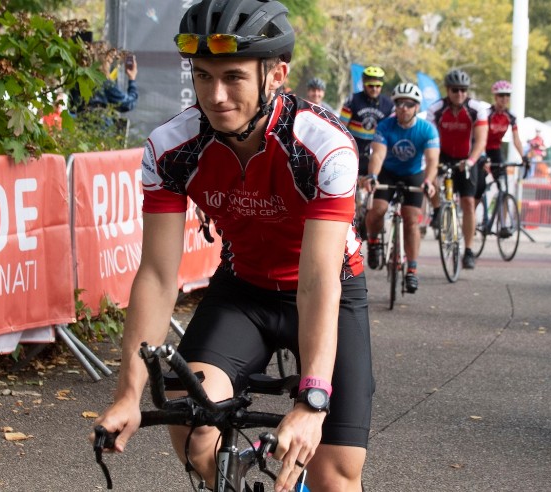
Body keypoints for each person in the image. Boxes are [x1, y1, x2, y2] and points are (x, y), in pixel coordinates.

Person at [92, 2, 373, 491]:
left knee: (336, 475)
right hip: (243, 291)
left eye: (234, 78)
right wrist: (128, 394)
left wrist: (312, 402)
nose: (215, 96)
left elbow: (318, 279)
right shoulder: (172, 148)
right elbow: (158, 275)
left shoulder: (324, 146)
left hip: (329, 290)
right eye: (203, 77)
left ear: (276, 75)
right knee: (194, 425)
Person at [362, 82, 440, 293]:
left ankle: (412, 270)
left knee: (411, 219)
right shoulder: (386, 126)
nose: (403, 108)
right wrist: (373, 176)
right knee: (377, 209)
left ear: (416, 107)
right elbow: (377, 154)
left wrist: (428, 182)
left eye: (409, 104)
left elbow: (432, 162)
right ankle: (373, 241)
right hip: (388, 171)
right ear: (395, 106)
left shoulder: (427, 129)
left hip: (413, 174)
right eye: (399, 104)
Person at [425, 69, 490, 270]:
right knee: (430, 178)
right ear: (447, 90)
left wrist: (470, 161)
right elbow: (429, 139)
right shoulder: (436, 109)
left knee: (468, 203)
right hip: (442, 154)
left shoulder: (476, 109)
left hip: (468, 157)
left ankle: (468, 250)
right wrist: (433, 165)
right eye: (455, 90)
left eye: (463, 90)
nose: (459, 94)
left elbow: (481, 141)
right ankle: (437, 210)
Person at [341, 66, 394, 177]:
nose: (374, 89)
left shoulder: (389, 104)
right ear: (364, 83)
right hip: (354, 148)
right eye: (370, 85)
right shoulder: (352, 100)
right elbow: (342, 127)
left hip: (376, 150)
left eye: (378, 86)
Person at [486, 80, 528, 183]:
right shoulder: (487, 114)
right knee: (480, 184)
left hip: (495, 150)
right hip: (482, 149)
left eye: (507, 95)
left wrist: (523, 156)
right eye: (501, 95)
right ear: (495, 97)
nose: (504, 98)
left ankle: (502, 197)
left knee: (503, 182)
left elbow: (516, 139)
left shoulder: (510, 116)